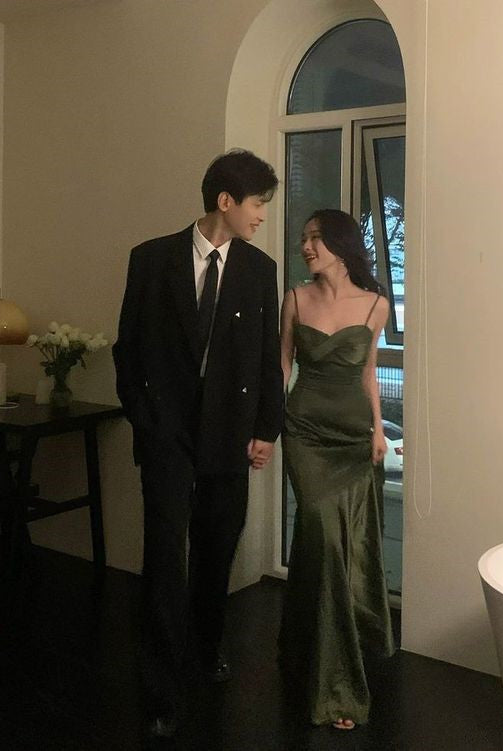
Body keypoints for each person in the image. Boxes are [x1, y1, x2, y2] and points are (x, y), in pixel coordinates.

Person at [113, 149, 284, 738]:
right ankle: (159, 689)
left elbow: (266, 358)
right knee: (164, 559)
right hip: (166, 435)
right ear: (225, 201)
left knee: (216, 551)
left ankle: (206, 647)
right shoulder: (151, 258)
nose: (262, 214)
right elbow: (128, 348)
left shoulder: (259, 269)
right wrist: (144, 419)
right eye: (257, 203)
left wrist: (266, 429)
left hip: (230, 434)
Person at [278, 209, 395, 730]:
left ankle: (302, 648)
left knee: (332, 546)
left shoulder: (376, 305)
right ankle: (336, 685)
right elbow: (282, 365)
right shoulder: (295, 298)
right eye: (304, 238)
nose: (306, 246)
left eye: (316, 238)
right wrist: (265, 425)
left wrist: (378, 430)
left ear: (342, 245)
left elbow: (369, 373)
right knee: (325, 536)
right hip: (304, 433)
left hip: (352, 437)